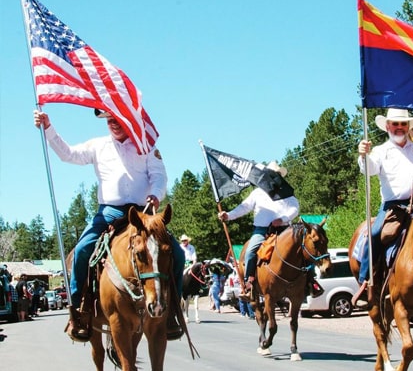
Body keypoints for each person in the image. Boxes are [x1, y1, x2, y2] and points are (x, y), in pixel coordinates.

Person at [33, 109, 185, 342]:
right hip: (109, 212)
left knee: (177, 253)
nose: (113, 124)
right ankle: (79, 311)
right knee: (83, 250)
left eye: (117, 119)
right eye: (109, 120)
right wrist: (48, 129)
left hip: (143, 213)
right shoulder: (98, 145)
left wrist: (155, 194)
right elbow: (69, 154)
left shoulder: (146, 145)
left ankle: (173, 311)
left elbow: (159, 176)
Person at [355, 108, 413, 305]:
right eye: (395, 124)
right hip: (393, 208)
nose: (399, 127)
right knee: (374, 235)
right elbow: (369, 170)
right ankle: (367, 281)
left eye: (403, 124)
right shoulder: (380, 151)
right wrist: (363, 155)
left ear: (408, 127)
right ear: (387, 126)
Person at [217, 161, 301, 298]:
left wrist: (283, 219)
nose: (275, 177)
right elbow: (244, 207)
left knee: (303, 249)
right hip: (262, 230)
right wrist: (228, 215)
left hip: (284, 229)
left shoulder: (286, 192)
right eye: (272, 174)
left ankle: (311, 282)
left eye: (277, 175)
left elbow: (294, 208)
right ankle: (249, 283)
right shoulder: (257, 193)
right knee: (250, 252)